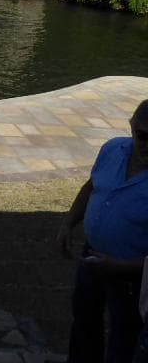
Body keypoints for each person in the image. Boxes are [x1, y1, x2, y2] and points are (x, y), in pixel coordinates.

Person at [58, 98, 148, 363]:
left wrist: (119, 266)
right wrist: (68, 224)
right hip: (92, 259)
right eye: (143, 136)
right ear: (132, 128)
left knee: (124, 337)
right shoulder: (112, 149)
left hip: (134, 280)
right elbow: (91, 187)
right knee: (84, 321)